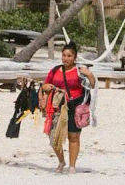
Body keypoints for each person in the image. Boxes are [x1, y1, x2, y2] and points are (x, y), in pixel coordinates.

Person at [40, 42, 96, 174]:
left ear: (75, 57)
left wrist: (89, 75)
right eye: (64, 55)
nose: (66, 58)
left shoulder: (80, 71)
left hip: (75, 106)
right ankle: (61, 160)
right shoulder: (55, 70)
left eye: (69, 56)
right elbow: (45, 85)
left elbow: (92, 85)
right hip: (57, 106)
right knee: (53, 137)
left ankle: (72, 166)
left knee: (73, 137)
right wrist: (46, 87)